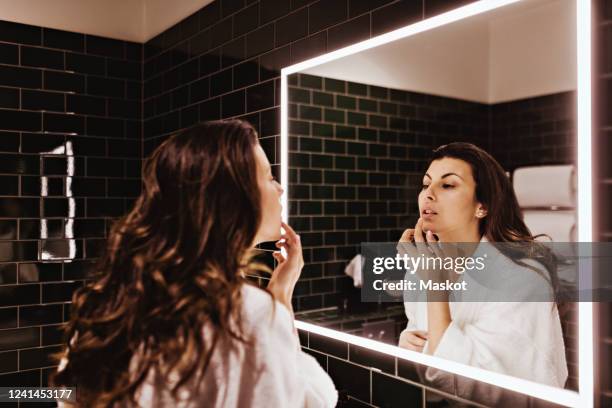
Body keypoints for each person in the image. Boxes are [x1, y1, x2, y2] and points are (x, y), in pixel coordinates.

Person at [51, 120, 337, 407]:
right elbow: (307, 399)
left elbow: (70, 397)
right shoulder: (245, 314)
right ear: (233, 200)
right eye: (268, 176)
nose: (280, 189)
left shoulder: (113, 299)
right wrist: (279, 301)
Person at [397, 142, 568, 404]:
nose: (428, 194)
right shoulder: (424, 265)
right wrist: (408, 345)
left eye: (448, 185)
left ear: (482, 206)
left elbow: (474, 385)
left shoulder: (524, 279)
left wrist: (435, 285)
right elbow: (427, 346)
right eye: (425, 184)